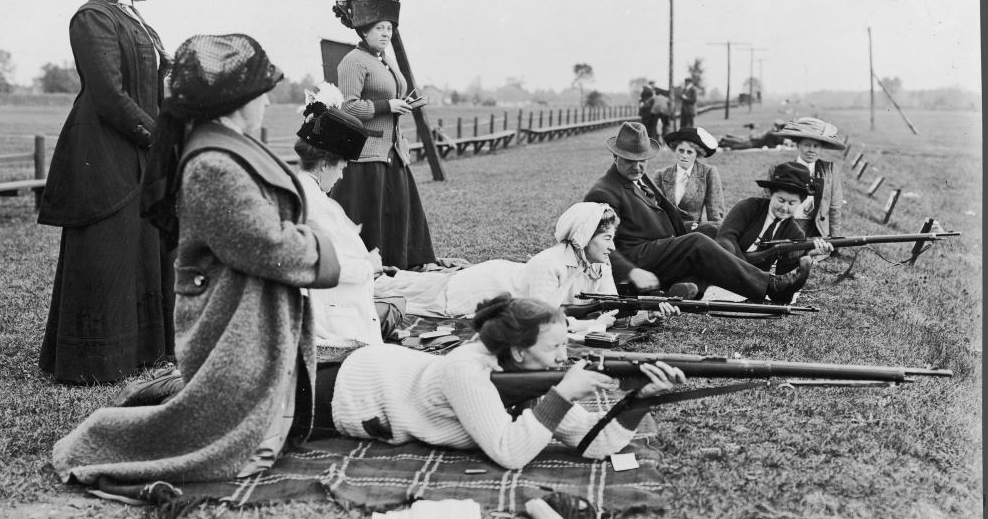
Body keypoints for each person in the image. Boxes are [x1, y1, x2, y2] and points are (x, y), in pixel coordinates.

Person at [52, 34, 341, 484]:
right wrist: (322, 246)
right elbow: (265, 246)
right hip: (231, 319)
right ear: (236, 100)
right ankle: (103, 438)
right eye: (260, 93)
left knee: (248, 416)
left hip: (247, 311)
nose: (267, 101)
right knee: (209, 430)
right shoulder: (213, 164)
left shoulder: (229, 147)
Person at [310, 295, 687, 469]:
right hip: (340, 391)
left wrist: (643, 398)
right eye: (555, 346)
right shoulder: (466, 370)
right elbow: (510, 453)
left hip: (378, 373)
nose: (564, 355)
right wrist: (562, 394)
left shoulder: (527, 376)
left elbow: (596, 444)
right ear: (519, 352)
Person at [37, 0, 175, 384]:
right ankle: (94, 358)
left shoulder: (132, 17)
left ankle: (140, 349)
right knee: (106, 247)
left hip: (136, 147)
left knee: (140, 244)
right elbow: (109, 95)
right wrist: (158, 138)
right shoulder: (93, 17)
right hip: (104, 148)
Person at [583, 120, 813, 304]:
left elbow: (667, 212)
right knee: (696, 243)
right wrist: (632, 272)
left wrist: (691, 230)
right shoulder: (604, 192)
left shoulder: (639, 177)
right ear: (614, 156)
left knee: (713, 230)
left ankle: (689, 284)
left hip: (660, 246)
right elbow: (595, 244)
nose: (637, 166)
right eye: (629, 160)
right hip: (636, 256)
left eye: (642, 159)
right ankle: (770, 286)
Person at [371, 202, 671, 326]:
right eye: (606, 238)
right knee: (406, 294)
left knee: (414, 286)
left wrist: (643, 311)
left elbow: (610, 305)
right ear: (583, 237)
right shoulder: (549, 264)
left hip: (505, 278)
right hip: (483, 286)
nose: (612, 246)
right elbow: (544, 319)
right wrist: (592, 323)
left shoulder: (599, 265)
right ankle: (368, 274)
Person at [329, 0, 437, 270]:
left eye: (389, 28)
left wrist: (403, 105)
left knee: (399, 213)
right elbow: (347, 107)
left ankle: (400, 264)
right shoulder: (353, 61)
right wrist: (387, 106)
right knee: (371, 220)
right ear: (364, 31)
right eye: (380, 28)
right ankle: (372, 269)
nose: (386, 33)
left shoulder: (383, 60)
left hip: (393, 152)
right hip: (367, 154)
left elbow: (391, 99)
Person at [294, 85, 386, 347]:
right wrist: (370, 264)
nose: (342, 175)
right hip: (329, 311)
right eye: (342, 167)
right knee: (392, 310)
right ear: (325, 164)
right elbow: (328, 265)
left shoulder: (304, 189)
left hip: (329, 301)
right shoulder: (314, 204)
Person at [716, 162, 834, 275]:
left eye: (792, 203)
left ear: (801, 202)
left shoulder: (796, 234)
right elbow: (725, 239)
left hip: (749, 282)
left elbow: (783, 275)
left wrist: (809, 256)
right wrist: (744, 271)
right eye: (780, 200)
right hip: (719, 262)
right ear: (770, 194)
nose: (784, 207)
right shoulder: (748, 207)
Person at [771, 117, 846, 239]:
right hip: (787, 226)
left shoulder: (829, 171)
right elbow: (768, 204)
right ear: (798, 145)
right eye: (807, 145)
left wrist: (835, 240)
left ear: (821, 148)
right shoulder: (780, 170)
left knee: (815, 249)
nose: (811, 150)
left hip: (816, 229)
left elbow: (835, 207)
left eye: (816, 146)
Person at [651, 127, 725, 231]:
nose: (684, 156)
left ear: (697, 154)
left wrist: (717, 234)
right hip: (666, 231)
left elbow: (715, 214)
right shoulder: (661, 175)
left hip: (693, 232)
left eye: (689, 152)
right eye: (681, 151)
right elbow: (652, 209)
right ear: (675, 150)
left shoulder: (708, 173)